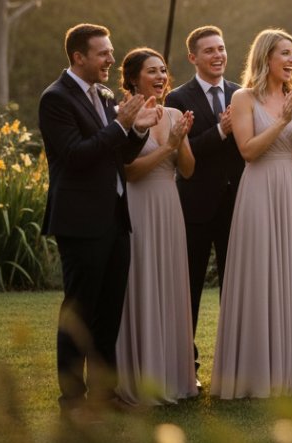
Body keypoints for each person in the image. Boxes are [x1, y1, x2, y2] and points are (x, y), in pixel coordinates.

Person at [40, 24, 156, 417]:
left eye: (109, 51)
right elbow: (76, 155)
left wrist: (138, 128)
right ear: (78, 57)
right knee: (79, 315)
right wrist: (121, 125)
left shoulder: (106, 96)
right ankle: (72, 402)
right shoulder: (55, 99)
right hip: (80, 220)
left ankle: (105, 396)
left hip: (115, 219)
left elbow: (119, 154)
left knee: (109, 314)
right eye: (103, 53)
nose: (111, 59)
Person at [211, 29, 292, 399]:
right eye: (285, 53)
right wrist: (281, 120)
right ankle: (256, 372)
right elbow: (247, 150)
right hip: (259, 188)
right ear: (265, 58)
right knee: (261, 271)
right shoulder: (244, 97)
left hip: (291, 188)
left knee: (290, 271)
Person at [115, 48, 198, 405]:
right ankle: (140, 378)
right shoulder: (126, 114)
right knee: (142, 282)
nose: (162, 77)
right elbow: (130, 172)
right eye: (153, 71)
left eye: (164, 70)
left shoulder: (176, 113)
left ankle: (174, 378)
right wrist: (169, 148)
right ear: (134, 78)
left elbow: (189, 170)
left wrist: (179, 143)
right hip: (139, 207)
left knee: (170, 283)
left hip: (170, 206)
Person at [165, 26, 244, 377]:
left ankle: (237, 365)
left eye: (222, 48)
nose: (218, 55)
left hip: (237, 204)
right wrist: (220, 132)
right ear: (193, 57)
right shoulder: (177, 99)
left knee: (239, 286)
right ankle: (187, 367)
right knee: (189, 288)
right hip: (195, 204)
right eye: (209, 50)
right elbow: (182, 152)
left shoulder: (241, 95)